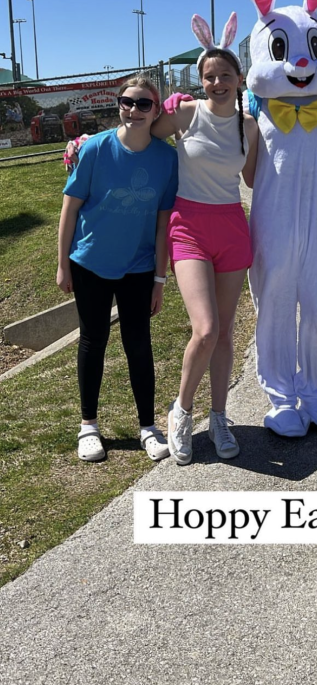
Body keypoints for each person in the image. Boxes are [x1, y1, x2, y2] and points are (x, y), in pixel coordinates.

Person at [57, 75, 178, 462]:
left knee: (138, 344)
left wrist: (159, 278)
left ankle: (148, 427)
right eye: (128, 102)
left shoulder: (166, 159)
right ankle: (88, 427)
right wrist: (63, 265)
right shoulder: (95, 148)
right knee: (93, 341)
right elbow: (70, 208)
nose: (134, 110)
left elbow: (162, 224)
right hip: (90, 262)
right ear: (118, 104)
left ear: (156, 110)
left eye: (144, 104)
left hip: (138, 267)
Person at [151, 28, 258, 465]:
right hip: (189, 227)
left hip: (232, 228)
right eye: (209, 76)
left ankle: (218, 417)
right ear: (200, 81)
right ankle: (181, 411)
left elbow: (253, 178)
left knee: (226, 332)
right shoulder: (184, 114)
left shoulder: (249, 126)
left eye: (225, 75)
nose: (217, 82)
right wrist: (162, 107)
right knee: (207, 329)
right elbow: (142, 137)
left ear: (239, 78)